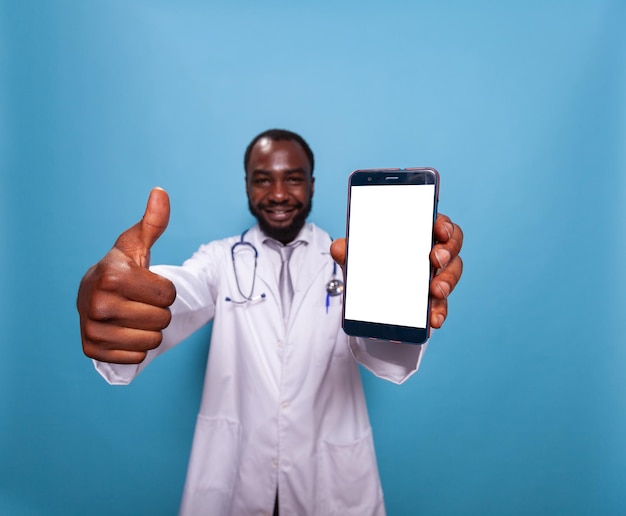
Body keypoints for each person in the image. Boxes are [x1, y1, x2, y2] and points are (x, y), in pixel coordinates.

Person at [77, 129, 464, 515]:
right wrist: (125, 295)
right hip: (237, 478)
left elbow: (384, 355)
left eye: (293, 178)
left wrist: (407, 295)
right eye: (263, 179)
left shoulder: (353, 260)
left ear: (311, 185)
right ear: (247, 186)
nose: (278, 194)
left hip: (329, 481)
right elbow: (177, 292)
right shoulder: (219, 259)